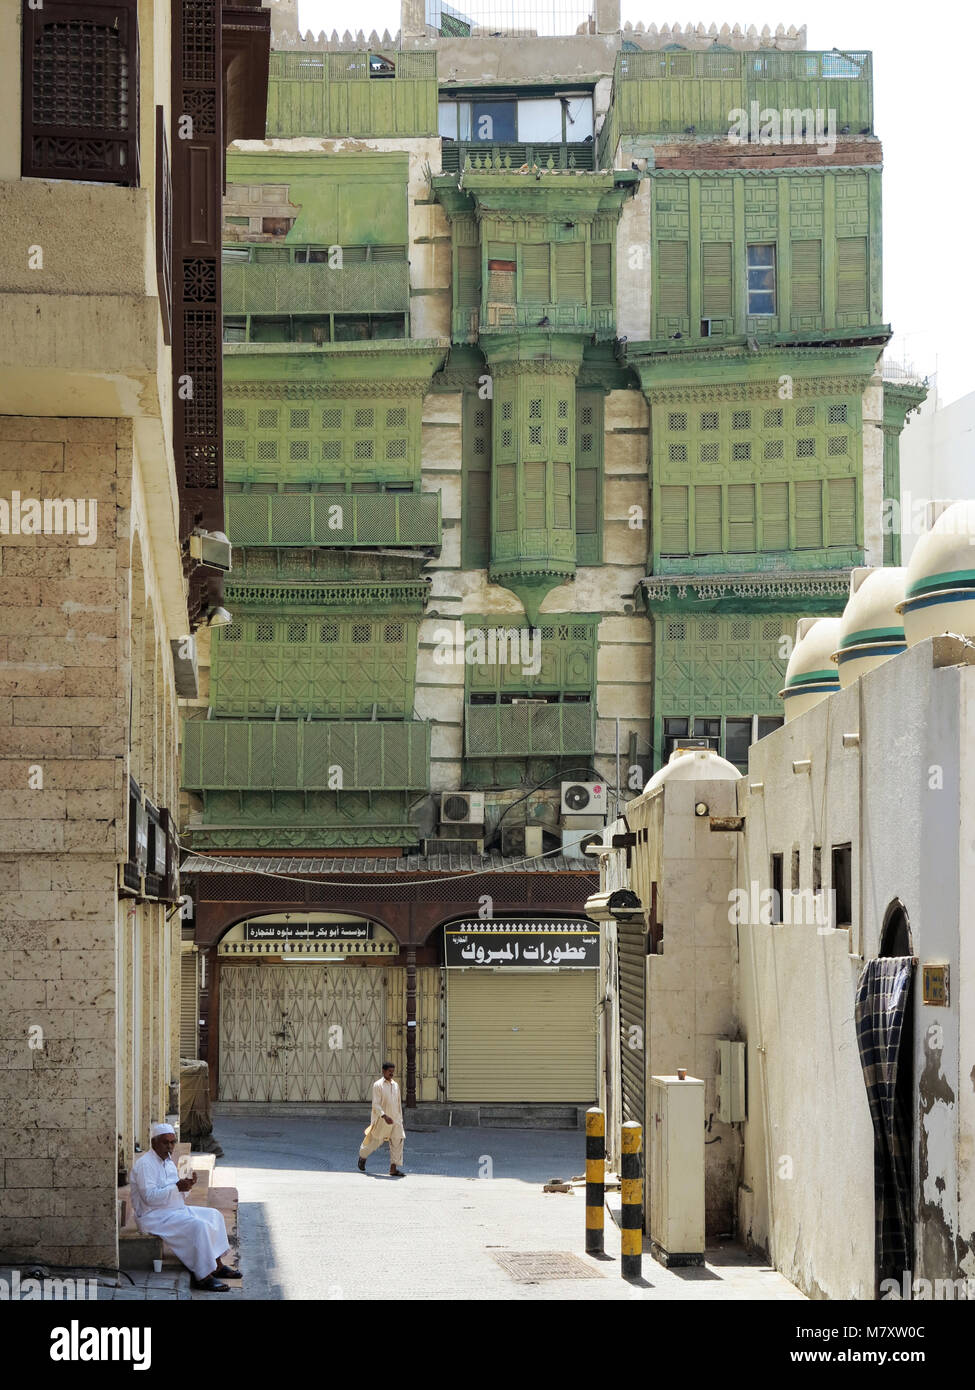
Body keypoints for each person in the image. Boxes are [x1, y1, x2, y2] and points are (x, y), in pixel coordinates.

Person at [129, 1123, 241, 1291]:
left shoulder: (168, 1162)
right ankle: (203, 1276)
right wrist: (177, 1187)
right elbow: (149, 1198)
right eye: (165, 1142)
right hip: (153, 1216)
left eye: (172, 1142)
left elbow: (178, 1191)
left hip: (174, 1210)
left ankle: (217, 1265)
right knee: (199, 1226)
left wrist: (187, 1186)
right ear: (154, 1143)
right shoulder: (146, 1164)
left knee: (214, 1215)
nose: (170, 1147)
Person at [357, 1062, 406, 1177]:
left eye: (393, 1071)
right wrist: (384, 1116)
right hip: (382, 1119)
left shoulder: (395, 1085)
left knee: (398, 1141)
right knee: (376, 1141)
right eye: (389, 1071)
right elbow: (376, 1104)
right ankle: (362, 1156)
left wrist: (400, 1119)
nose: (391, 1074)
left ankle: (393, 1168)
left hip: (396, 1119)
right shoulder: (378, 1085)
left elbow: (398, 1103)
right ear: (383, 1071)